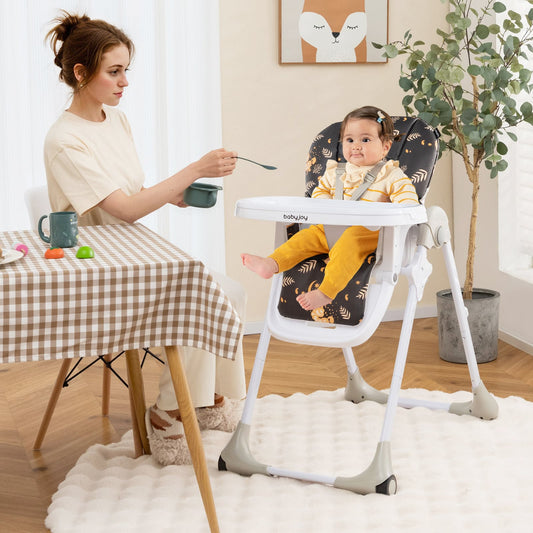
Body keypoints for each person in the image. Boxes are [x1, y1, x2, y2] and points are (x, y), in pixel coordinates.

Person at [44, 12, 246, 466]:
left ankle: (208, 397)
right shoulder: (64, 140)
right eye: (114, 71)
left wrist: (175, 193)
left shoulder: (115, 120)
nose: (125, 82)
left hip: (133, 252)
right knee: (199, 298)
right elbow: (125, 210)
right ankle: (167, 413)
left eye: (126, 70)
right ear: (81, 73)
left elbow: (129, 194)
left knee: (230, 292)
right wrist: (193, 169)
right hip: (97, 266)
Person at [242, 106, 419, 311]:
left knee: (351, 241)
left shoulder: (391, 175)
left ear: (385, 147)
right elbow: (319, 195)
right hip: (330, 229)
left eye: (365, 140)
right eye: (349, 140)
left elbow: (408, 203)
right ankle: (271, 264)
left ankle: (326, 292)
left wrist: (395, 210)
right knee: (304, 237)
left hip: (368, 233)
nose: (356, 146)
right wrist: (325, 209)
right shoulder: (335, 172)